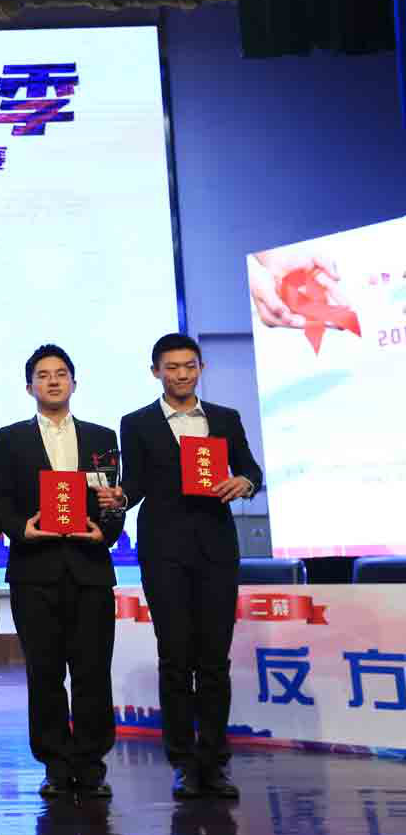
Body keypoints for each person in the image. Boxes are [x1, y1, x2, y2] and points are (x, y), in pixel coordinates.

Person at [115, 333, 262, 800]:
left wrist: (244, 483)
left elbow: (252, 471)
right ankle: (182, 762)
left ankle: (214, 763)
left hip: (216, 550)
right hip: (164, 552)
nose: (182, 374)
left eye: (189, 366)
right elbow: (134, 486)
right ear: (155, 371)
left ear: (201, 368)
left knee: (214, 661)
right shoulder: (136, 422)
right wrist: (117, 498)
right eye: (172, 367)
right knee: (175, 658)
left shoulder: (225, 418)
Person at [0, 344, 126, 798]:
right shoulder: (10, 438)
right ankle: (54, 763)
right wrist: (20, 529)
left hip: (90, 568)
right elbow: (1, 498)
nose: (53, 381)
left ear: (74, 382)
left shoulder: (102, 436)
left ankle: (91, 763)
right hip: (35, 570)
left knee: (92, 671)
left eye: (61, 373)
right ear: (29, 386)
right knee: (44, 672)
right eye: (43, 375)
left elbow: (112, 498)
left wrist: (106, 531)